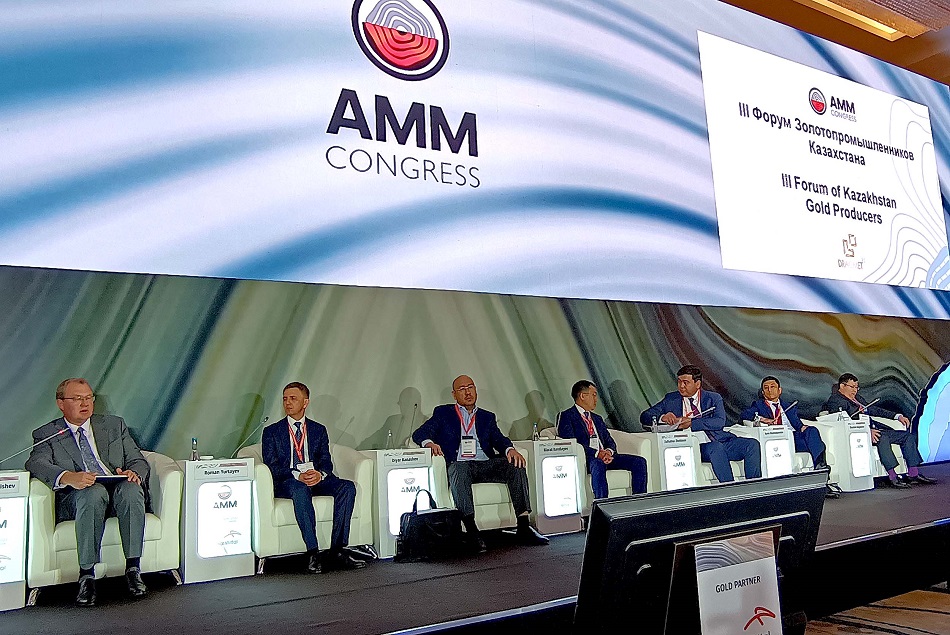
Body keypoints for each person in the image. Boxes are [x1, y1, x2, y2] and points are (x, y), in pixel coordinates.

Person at [25, 378, 149, 607]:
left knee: (132, 490)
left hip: (117, 490)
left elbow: (138, 460)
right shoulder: (47, 433)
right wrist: (67, 476)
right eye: (77, 398)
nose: (85, 403)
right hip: (80, 496)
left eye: (89, 397)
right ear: (61, 403)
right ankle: (87, 576)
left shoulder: (113, 425)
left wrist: (133, 472)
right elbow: (36, 463)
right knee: (93, 493)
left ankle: (133, 569)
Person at [412, 375, 549, 552]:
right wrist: (429, 443)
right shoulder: (443, 413)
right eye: (462, 389)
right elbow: (419, 433)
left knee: (515, 464)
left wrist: (510, 449)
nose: (467, 392)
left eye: (470, 387)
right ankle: (471, 530)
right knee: (459, 467)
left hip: (485, 465)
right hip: (460, 465)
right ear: (454, 395)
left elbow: (499, 439)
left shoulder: (487, 417)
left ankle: (523, 526)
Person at [261, 382, 365, 573]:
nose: (288, 403)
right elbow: (272, 466)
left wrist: (320, 474)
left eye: (293, 399)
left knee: (348, 487)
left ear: (305, 402)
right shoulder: (272, 432)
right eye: (285, 399)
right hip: (289, 482)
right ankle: (312, 553)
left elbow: (326, 461)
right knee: (300, 489)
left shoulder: (318, 429)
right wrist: (297, 475)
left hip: (315, 478)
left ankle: (337, 550)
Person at [640, 365, 762, 483]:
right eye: (679, 382)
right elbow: (645, 416)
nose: (681, 386)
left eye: (685, 383)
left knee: (752, 444)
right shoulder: (671, 399)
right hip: (695, 446)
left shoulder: (713, 398)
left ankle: (754, 487)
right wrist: (662, 417)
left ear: (697, 384)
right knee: (715, 448)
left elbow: (719, 422)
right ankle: (729, 489)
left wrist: (692, 423)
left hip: (720, 440)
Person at [822, 373, 936, 489]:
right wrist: (867, 431)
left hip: (875, 429)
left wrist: (897, 416)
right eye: (852, 387)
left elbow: (873, 410)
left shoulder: (858, 399)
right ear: (842, 386)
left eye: (856, 387)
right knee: (882, 437)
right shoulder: (835, 400)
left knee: (907, 436)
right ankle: (892, 477)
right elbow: (842, 422)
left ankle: (913, 474)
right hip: (858, 434)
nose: (855, 390)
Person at [740, 376, 839, 498]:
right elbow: (745, 414)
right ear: (763, 392)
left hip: (793, 437)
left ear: (779, 390)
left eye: (773, 387)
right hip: (778, 439)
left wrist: (802, 427)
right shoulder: (758, 405)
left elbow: (797, 424)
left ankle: (820, 471)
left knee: (812, 431)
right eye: (766, 388)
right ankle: (823, 478)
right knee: (817, 445)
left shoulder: (788, 406)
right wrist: (763, 419)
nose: (770, 390)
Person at [558, 380, 647, 498]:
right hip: (587, 459)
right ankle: (602, 504)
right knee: (598, 463)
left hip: (605, 456)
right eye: (593, 395)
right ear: (583, 396)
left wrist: (608, 452)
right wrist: (596, 454)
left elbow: (609, 441)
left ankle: (639, 501)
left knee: (639, 462)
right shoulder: (567, 416)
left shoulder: (597, 419)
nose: (596, 399)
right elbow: (571, 444)